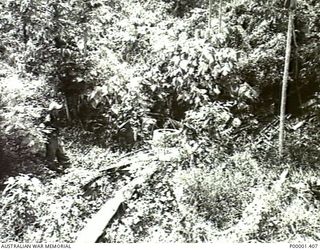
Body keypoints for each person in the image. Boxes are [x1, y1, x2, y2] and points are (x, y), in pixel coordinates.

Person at [44, 101, 70, 173]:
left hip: (56, 136)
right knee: (52, 152)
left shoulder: (55, 117)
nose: (58, 111)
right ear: (53, 110)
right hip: (51, 137)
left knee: (61, 150)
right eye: (56, 110)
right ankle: (51, 169)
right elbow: (46, 129)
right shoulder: (48, 119)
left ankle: (66, 165)